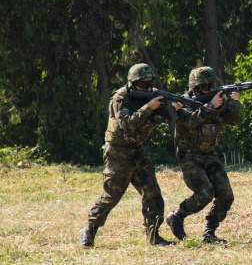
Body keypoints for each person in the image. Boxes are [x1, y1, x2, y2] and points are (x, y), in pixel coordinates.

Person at [80, 63, 179, 247]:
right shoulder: (120, 99)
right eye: (144, 85)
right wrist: (149, 107)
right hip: (118, 151)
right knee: (112, 195)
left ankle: (153, 235)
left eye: (151, 83)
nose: (149, 88)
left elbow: (167, 114)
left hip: (138, 150)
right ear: (133, 84)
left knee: (152, 193)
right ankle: (89, 230)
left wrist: (175, 107)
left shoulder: (153, 95)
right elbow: (127, 124)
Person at [165, 66, 242, 244]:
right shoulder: (181, 103)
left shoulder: (217, 102)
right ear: (195, 88)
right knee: (205, 192)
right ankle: (176, 216)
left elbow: (236, 121)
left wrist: (234, 103)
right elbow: (190, 122)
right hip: (190, 157)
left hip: (210, 155)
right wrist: (210, 106)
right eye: (206, 87)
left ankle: (209, 233)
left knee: (226, 195)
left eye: (212, 85)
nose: (211, 89)